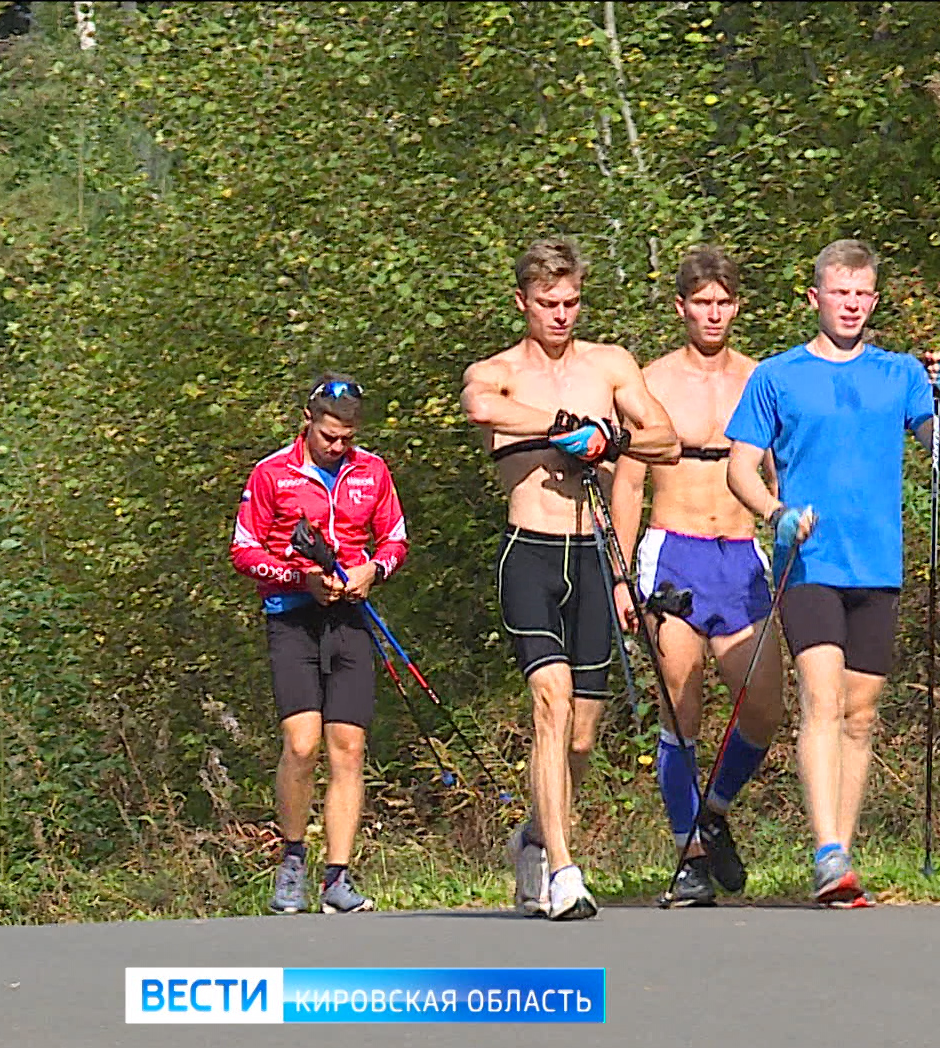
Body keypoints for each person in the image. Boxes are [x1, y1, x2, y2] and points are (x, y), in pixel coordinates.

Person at [725, 239, 940, 908]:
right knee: (822, 700)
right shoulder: (777, 376)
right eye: (839, 293)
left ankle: (843, 857)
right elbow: (739, 468)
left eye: (862, 294)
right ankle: (826, 851)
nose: (851, 305)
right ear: (816, 298)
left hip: (877, 564)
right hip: (810, 562)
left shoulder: (901, 374)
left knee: (861, 713)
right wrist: (775, 513)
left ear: (874, 300)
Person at [462, 236, 680, 921]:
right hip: (530, 552)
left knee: (581, 737)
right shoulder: (498, 371)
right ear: (521, 302)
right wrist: (563, 427)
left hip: (591, 555)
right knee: (550, 702)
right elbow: (481, 408)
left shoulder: (609, 364)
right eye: (547, 303)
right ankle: (563, 871)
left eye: (571, 302)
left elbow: (667, 438)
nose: (561, 315)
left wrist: (611, 440)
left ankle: (534, 836)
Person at [610, 246, 787, 908]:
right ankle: (688, 856)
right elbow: (629, 483)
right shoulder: (651, 381)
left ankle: (713, 810)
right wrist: (622, 575)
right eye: (702, 303)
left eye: (724, 303)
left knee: (764, 705)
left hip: (740, 553)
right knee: (681, 698)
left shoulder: (760, 378)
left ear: (737, 307)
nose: (713, 314)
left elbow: (778, 472)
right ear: (681, 307)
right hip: (673, 551)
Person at [231, 375, 409, 916]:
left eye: (347, 437)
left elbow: (395, 539)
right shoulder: (271, 473)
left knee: (348, 747)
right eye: (329, 435)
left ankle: (338, 877)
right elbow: (244, 550)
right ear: (308, 421)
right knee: (303, 743)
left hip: (349, 616)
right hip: (292, 617)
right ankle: (291, 861)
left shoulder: (371, 470)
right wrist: (298, 577)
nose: (337, 446)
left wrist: (373, 570)